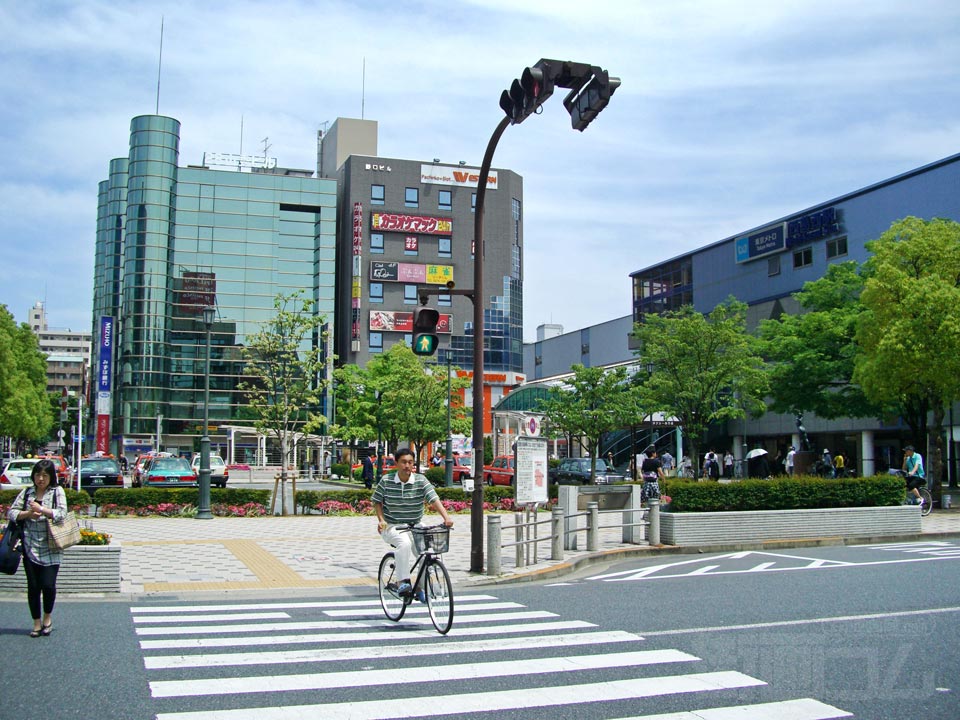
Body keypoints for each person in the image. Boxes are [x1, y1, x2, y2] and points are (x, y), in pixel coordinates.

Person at [372, 448, 454, 597]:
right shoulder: (387, 480)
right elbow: (377, 501)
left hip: (415, 525)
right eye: (403, 462)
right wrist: (381, 520)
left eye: (410, 462)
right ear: (396, 463)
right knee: (404, 544)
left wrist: (446, 517)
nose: (407, 466)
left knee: (426, 552)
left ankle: (420, 588)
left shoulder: (421, 480)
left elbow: (433, 499)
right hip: (392, 525)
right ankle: (402, 582)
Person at [6, 458, 67, 637]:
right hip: (29, 546)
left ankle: (47, 617)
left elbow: (62, 514)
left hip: (51, 547)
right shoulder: (27, 493)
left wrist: (42, 510)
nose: (41, 479)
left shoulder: (57, 492)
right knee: (33, 587)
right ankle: (36, 623)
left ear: (51, 477)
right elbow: (11, 512)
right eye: (38, 475)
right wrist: (28, 514)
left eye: (45, 475)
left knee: (48, 585)